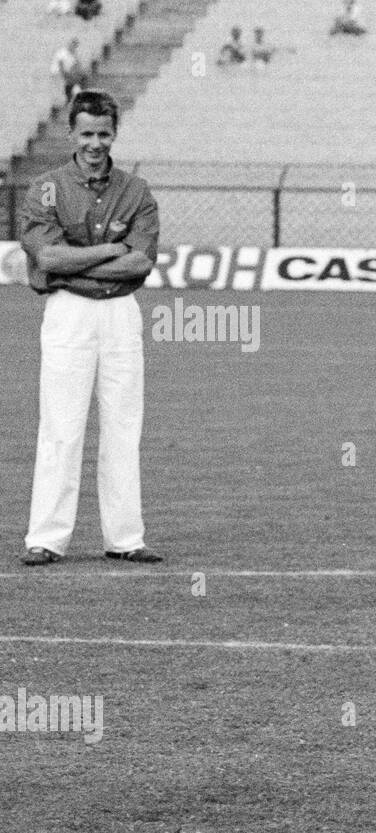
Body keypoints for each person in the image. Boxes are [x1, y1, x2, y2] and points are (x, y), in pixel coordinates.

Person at [18, 90, 164, 567]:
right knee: (61, 425)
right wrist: (108, 252)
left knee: (124, 425)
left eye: (103, 133)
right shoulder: (46, 188)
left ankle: (125, 537)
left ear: (114, 133)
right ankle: (46, 537)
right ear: (71, 134)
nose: (95, 143)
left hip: (120, 314)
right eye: (86, 134)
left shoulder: (136, 190)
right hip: (68, 314)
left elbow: (140, 262)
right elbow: (48, 257)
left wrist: (78, 264)